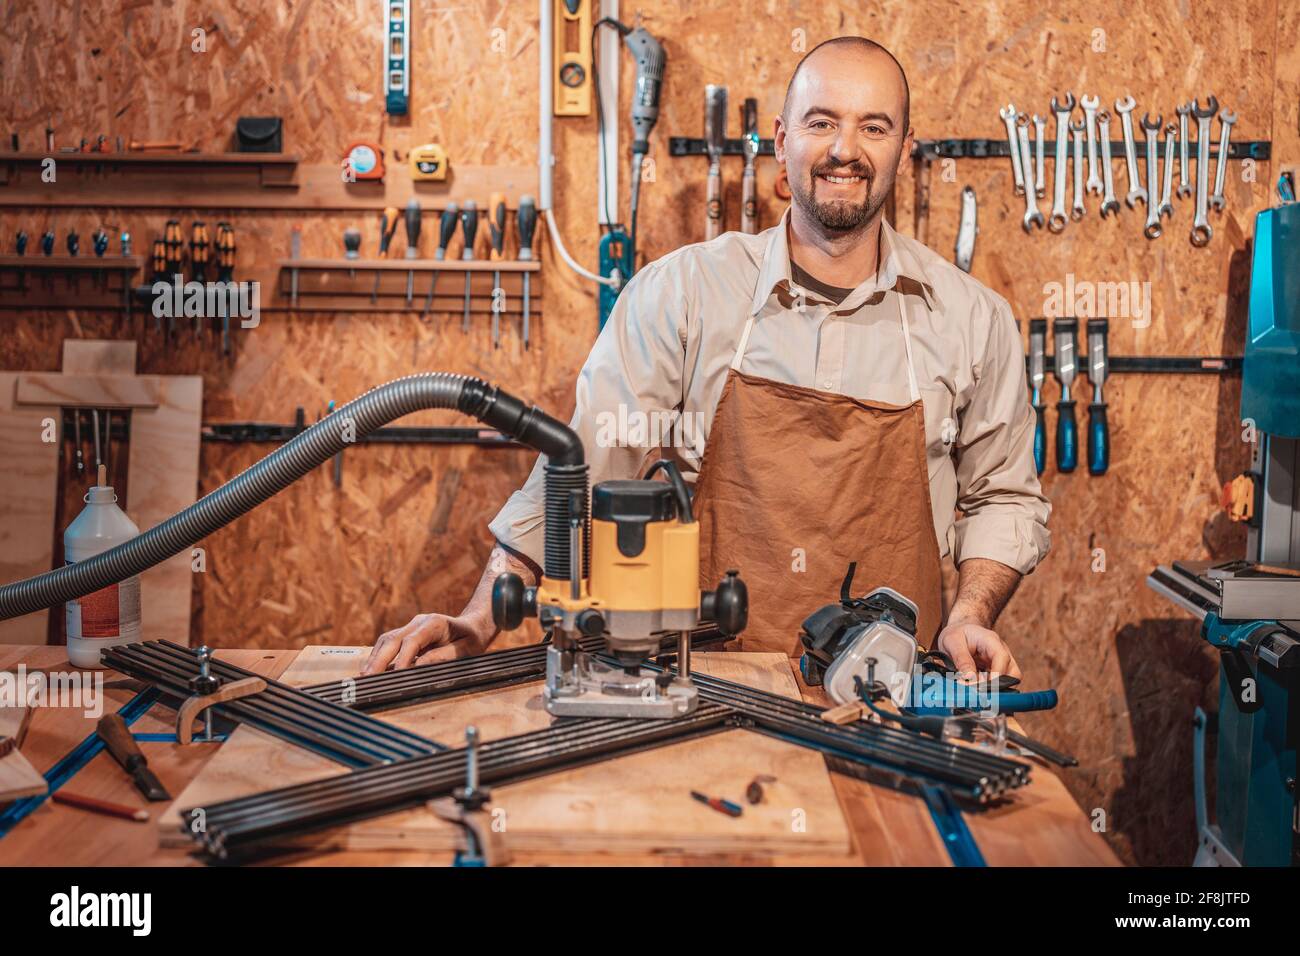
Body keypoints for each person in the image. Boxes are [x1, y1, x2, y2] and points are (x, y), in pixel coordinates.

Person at [364, 36, 1050, 680]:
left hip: (886, 694)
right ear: (782, 143)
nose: (846, 149)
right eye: (821, 123)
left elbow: (1004, 498)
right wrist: (479, 616)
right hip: (706, 688)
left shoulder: (972, 319)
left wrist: (969, 615)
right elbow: (586, 460)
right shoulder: (685, 293)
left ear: (905, 147)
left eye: (874, 127)